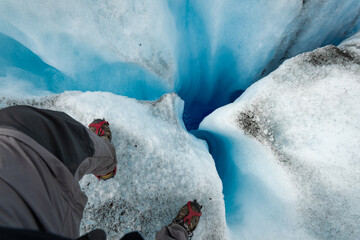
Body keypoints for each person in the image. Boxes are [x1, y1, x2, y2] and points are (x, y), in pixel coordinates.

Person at [0, 105, 202, 240]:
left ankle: (106, 163)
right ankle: (178, 233)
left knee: (77, 141)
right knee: (73, 141)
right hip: (44, 209)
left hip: (12, 144)